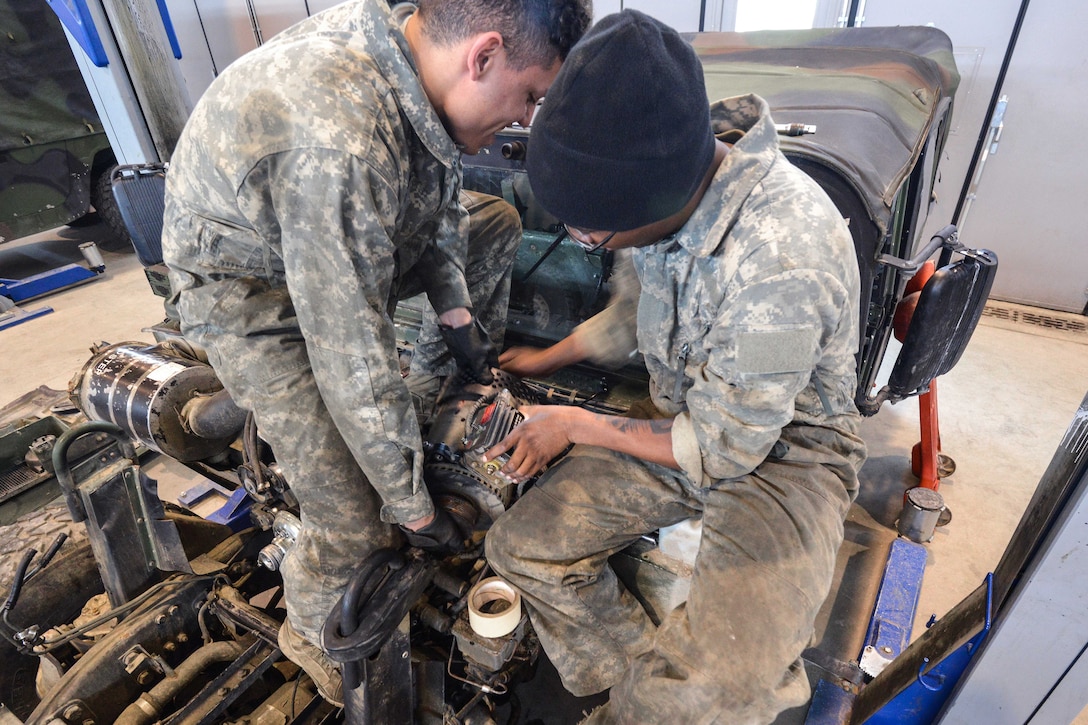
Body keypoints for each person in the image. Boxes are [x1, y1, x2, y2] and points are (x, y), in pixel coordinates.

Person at [161, 0, 590, 705]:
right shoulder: (341, 138)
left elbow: (440, 197)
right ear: (483, 56)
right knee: (354, 517)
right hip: (250, 288)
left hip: (325, 235)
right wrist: (413, 507)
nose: (523, 118)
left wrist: (453, 310)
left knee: (497, 219)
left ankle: (423, 412)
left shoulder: (411, 54)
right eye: (530, 95)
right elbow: (351, 355)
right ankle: (308, 626)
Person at [484, 10, 868, 723]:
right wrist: (546, 357)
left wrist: (573, 422)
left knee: (722, 686)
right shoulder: (665, 176)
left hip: (785, 457)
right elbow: (638, 313)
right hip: (678, 417)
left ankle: (664, 702)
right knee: (521, 547)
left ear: (652, 203)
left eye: (589, 230)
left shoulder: (784, 263)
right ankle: (632, 683)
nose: (580, 238)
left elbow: (725, 449)